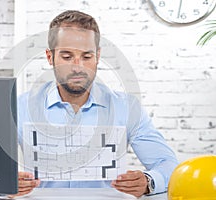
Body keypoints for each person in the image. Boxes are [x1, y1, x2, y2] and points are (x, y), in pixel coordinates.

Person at [13, 10, 178, 198]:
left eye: (87, 56)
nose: (78, 66)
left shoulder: (126, 108)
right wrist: (5, 183)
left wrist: (148, 181)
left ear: (97, 56)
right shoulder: (21, 107)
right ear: (50, 57)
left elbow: (167, 163)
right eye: (67, 57)